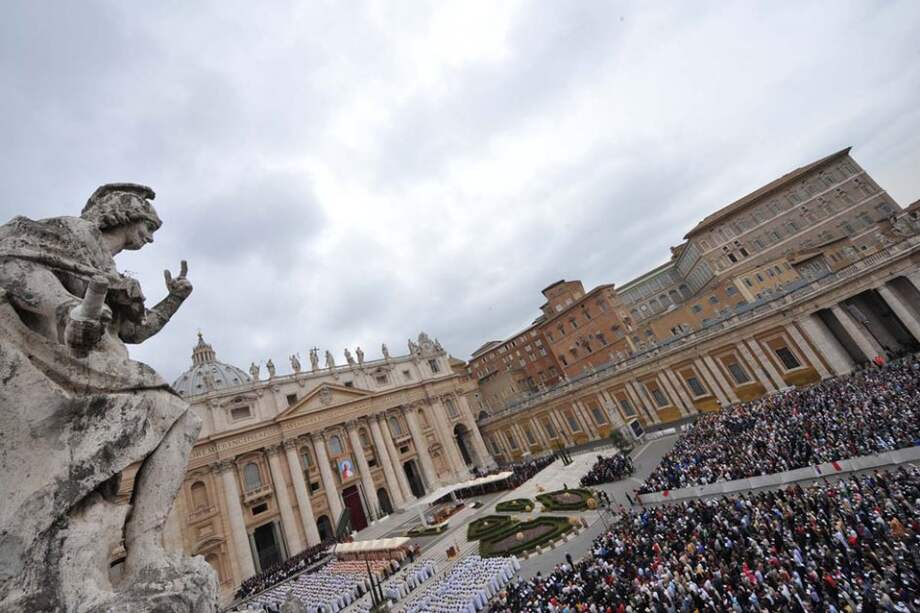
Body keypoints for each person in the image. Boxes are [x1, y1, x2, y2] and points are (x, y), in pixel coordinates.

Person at [0, 184, 208, 610]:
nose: (149, 237)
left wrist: (175, 299)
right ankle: (144, 548)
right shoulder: (68, 234)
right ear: (124, 214)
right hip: (73, 370)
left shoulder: (111, 267)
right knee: (178, 414)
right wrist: (62, 308)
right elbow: (15, 266)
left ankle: (143, 547)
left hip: (106, 367)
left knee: (177, 420)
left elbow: (136, 331)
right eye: (148, 226)